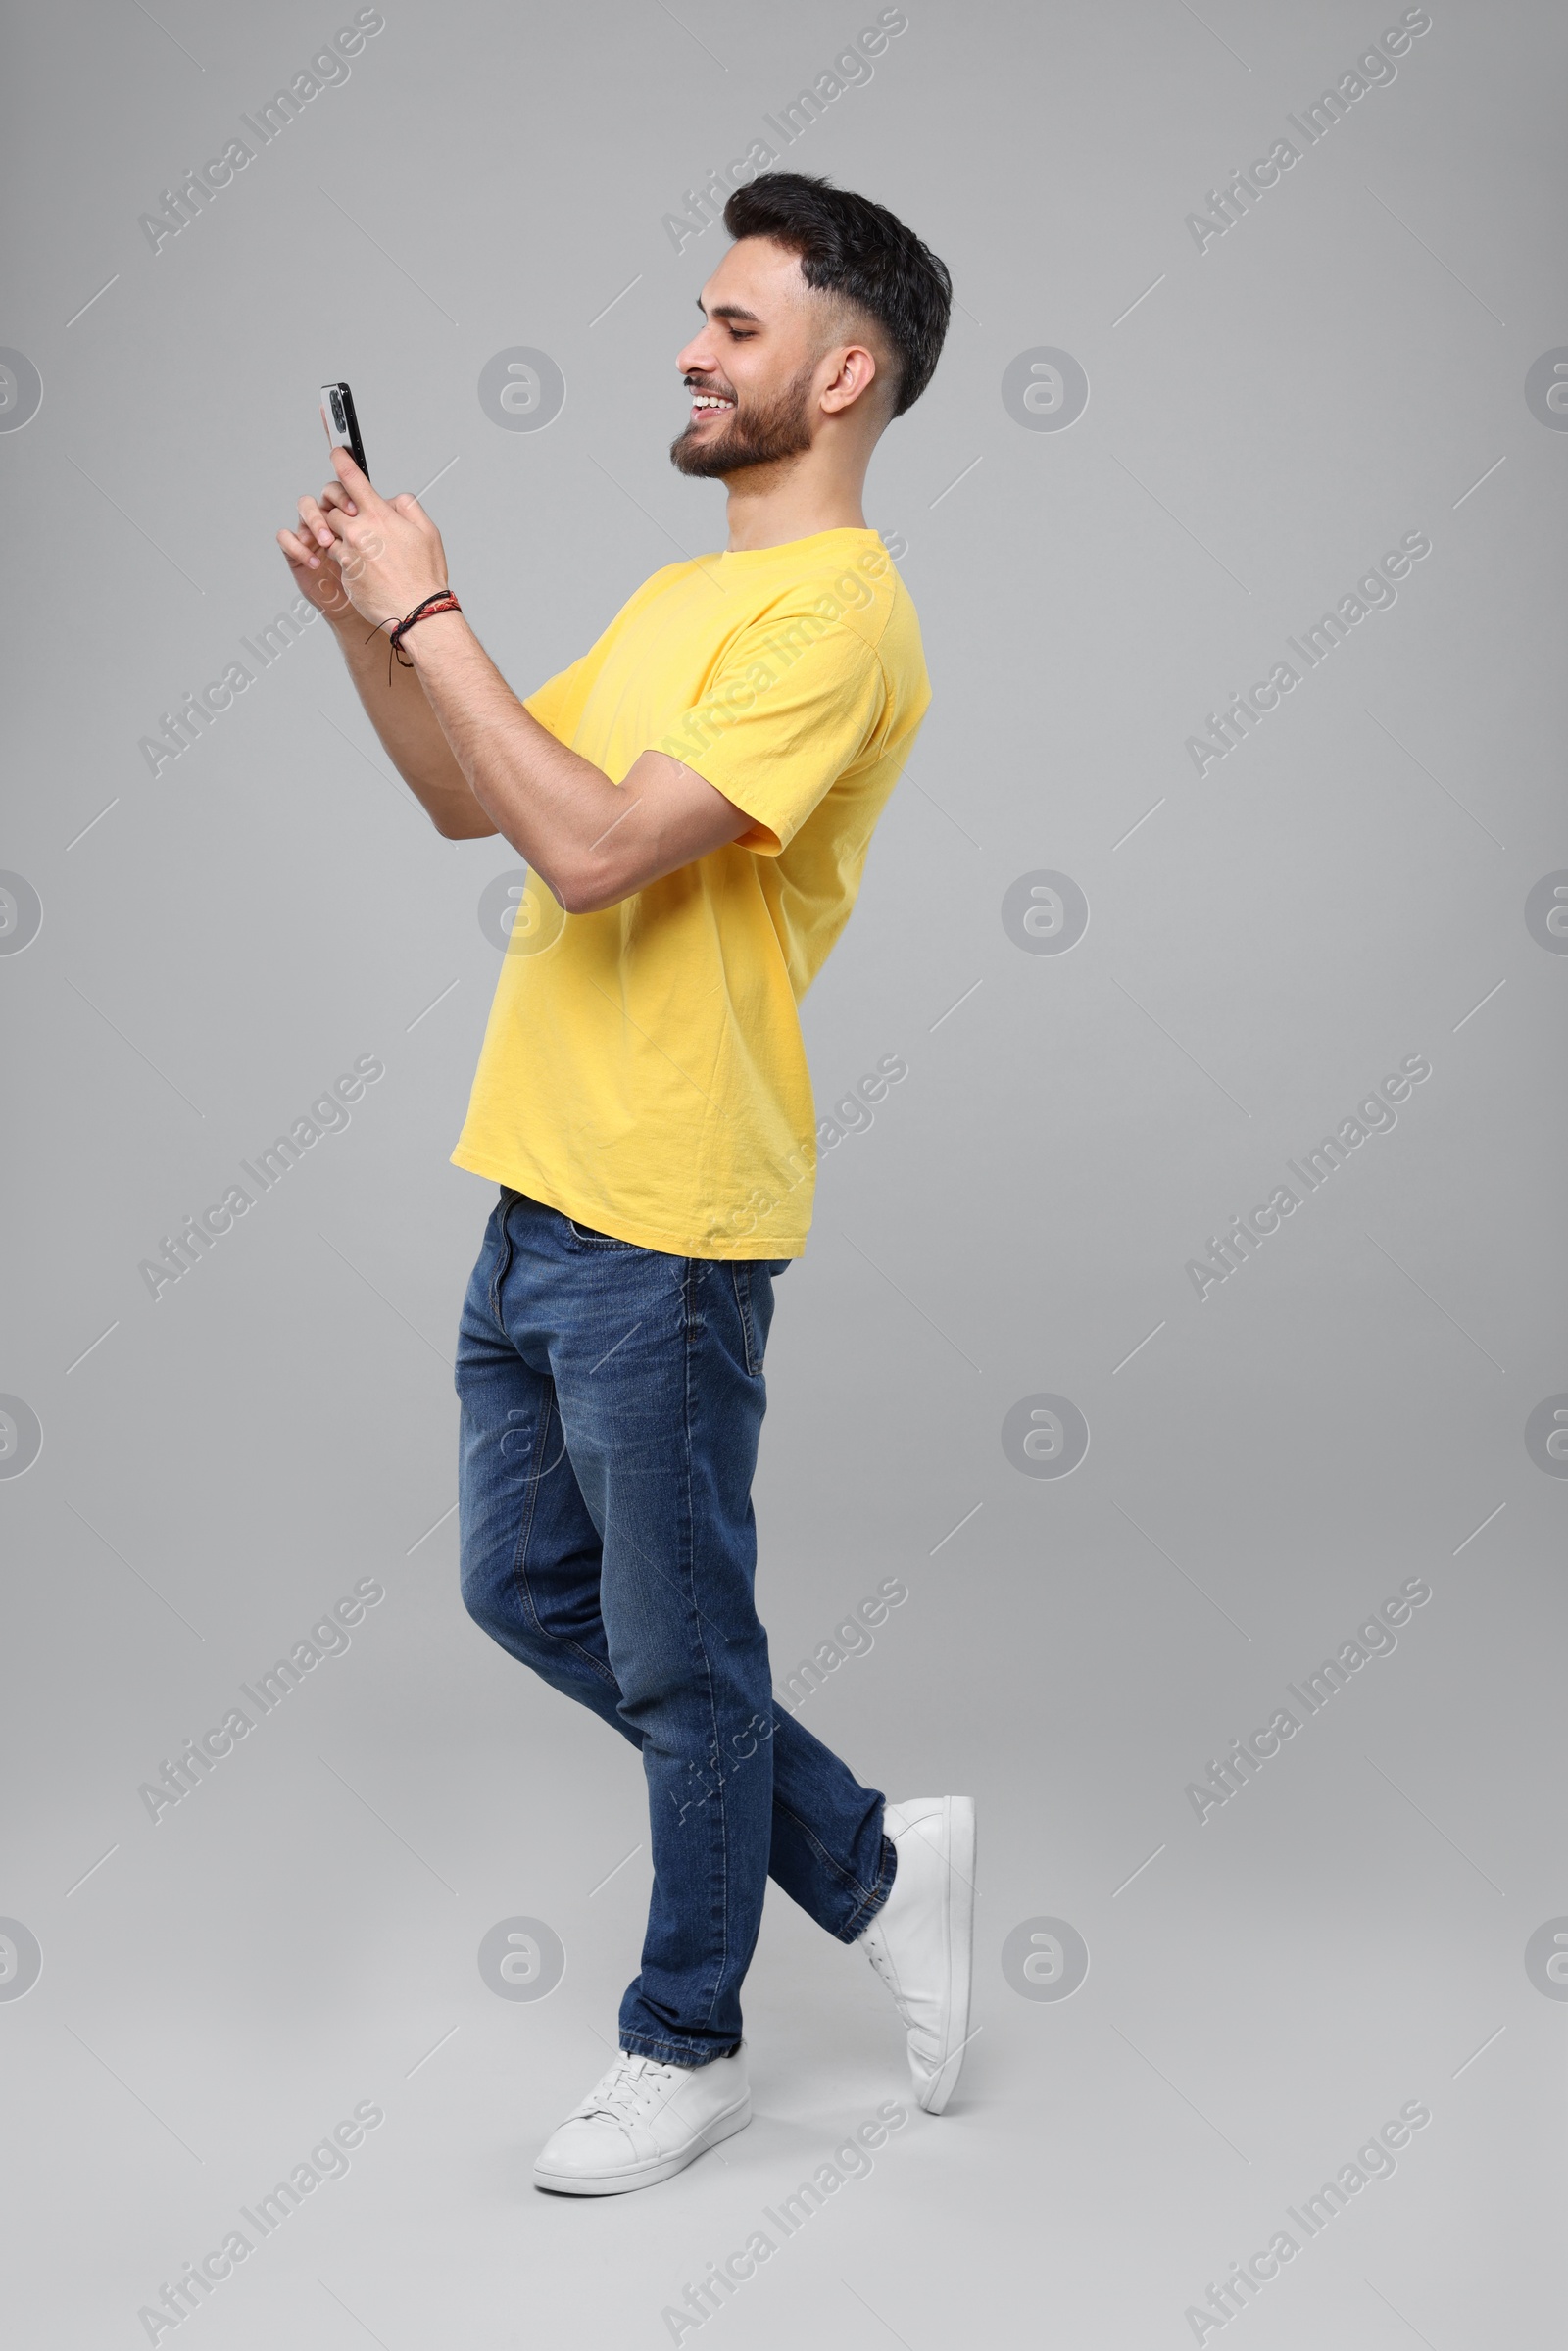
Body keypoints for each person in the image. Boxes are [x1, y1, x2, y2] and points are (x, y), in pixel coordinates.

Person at [278, 171, 973, 2196]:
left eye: (733, 326)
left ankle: (688, 2044)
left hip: (668, 1219)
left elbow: (589, 853)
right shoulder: (685, 601)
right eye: (699, 314)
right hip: (539, 1188)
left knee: (681, 1660)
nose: (687, 347)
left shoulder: (838, 618)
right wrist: (363, 631)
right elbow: (460, 795)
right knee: (525, 1590)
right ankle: (862, 1852)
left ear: (841, 375)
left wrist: (432, 607)